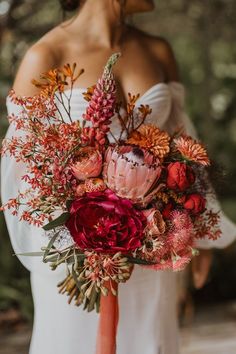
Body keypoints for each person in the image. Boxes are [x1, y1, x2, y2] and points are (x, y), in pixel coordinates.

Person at [1, 1, 236, 353]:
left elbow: (183, 144)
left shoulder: (157, 49)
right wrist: (79, 241)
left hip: (152, 248)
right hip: (78, 255)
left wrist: (198, 233)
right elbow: (18, 166)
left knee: (148, 341)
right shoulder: (46, 54)